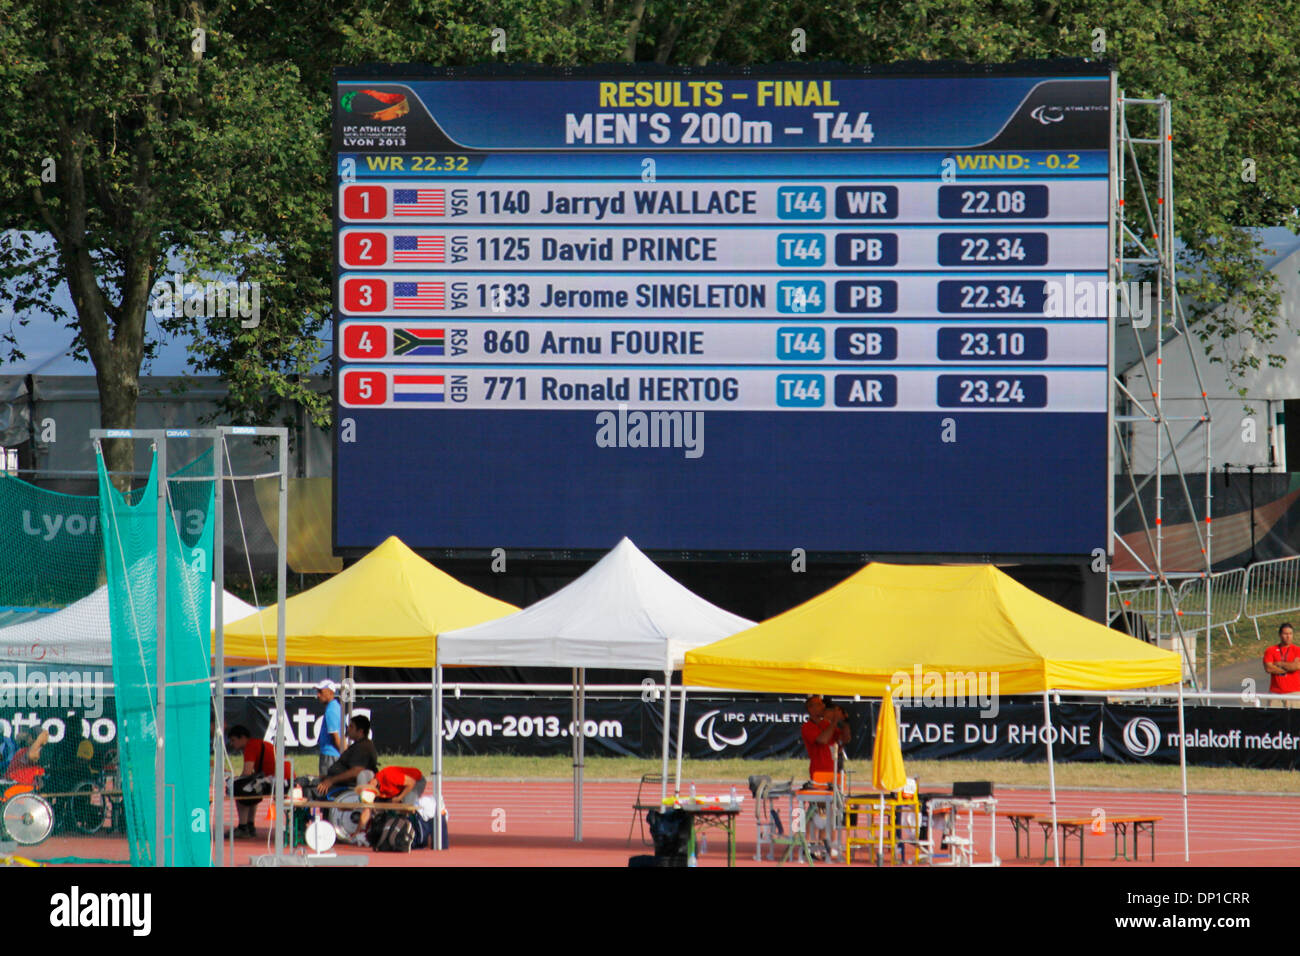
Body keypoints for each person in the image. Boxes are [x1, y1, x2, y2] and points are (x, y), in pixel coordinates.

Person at [227, 725, 285, 838]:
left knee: (239, 788)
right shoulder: (258, 743)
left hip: (277, 780)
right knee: (250, 788)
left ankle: (243, 827)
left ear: (243, 738)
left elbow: (247, 772)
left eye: (233, 740)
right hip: (282, 779)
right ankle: (250, 825)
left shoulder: (250, 746)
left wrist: (233, 781)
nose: (232, 744)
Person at [353, 765, 426, 839]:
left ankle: (415, 831)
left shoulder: (389, 777)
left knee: (406, 807)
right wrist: (357, 832)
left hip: (415, 781)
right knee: (388, 806)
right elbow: (366, 810)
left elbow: (411, 783)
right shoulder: (370, 786)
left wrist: (399, 798)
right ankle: (390, 830)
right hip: (397, 786)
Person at [314, 714, 378, 796]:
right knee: (306, 782)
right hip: (335, 783)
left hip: (343, 789)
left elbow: (356, 771)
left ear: (360, 731)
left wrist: (331, 780)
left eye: (351, 727)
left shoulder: (363, 748)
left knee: (306, 790)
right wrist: (326, 777)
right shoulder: (357, 745)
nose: (348, 729)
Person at [800, 695, 850, 781]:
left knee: (837, 793)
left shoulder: (826, 724)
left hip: (835, 768)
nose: (823, 706)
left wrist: (845, 722)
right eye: (819, 704)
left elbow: (845, 739)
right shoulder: (807, 726)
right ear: (810, 709)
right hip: (820, 771)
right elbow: (822, 740)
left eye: (822, 704)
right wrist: (834, 721)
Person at [1263, 622, 1300, 707]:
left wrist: (1279, 664)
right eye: (1285, 634)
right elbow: (1268, 668)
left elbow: (1297, 666)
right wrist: (1289, 667)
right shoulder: (1271, 650)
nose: (1288, 636)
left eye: (1290, 634)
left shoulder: (1297, 650)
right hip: (1275, 693)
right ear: (1280, 635)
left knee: (1294, 719)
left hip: (1294, 693)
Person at [316, 679, 343, 776]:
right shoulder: (334, 707)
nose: (318, 695)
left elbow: (335, 737)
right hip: (332, 754)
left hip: (330, 755)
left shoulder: (331, 710)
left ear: (331, 693)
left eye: (321, 692)